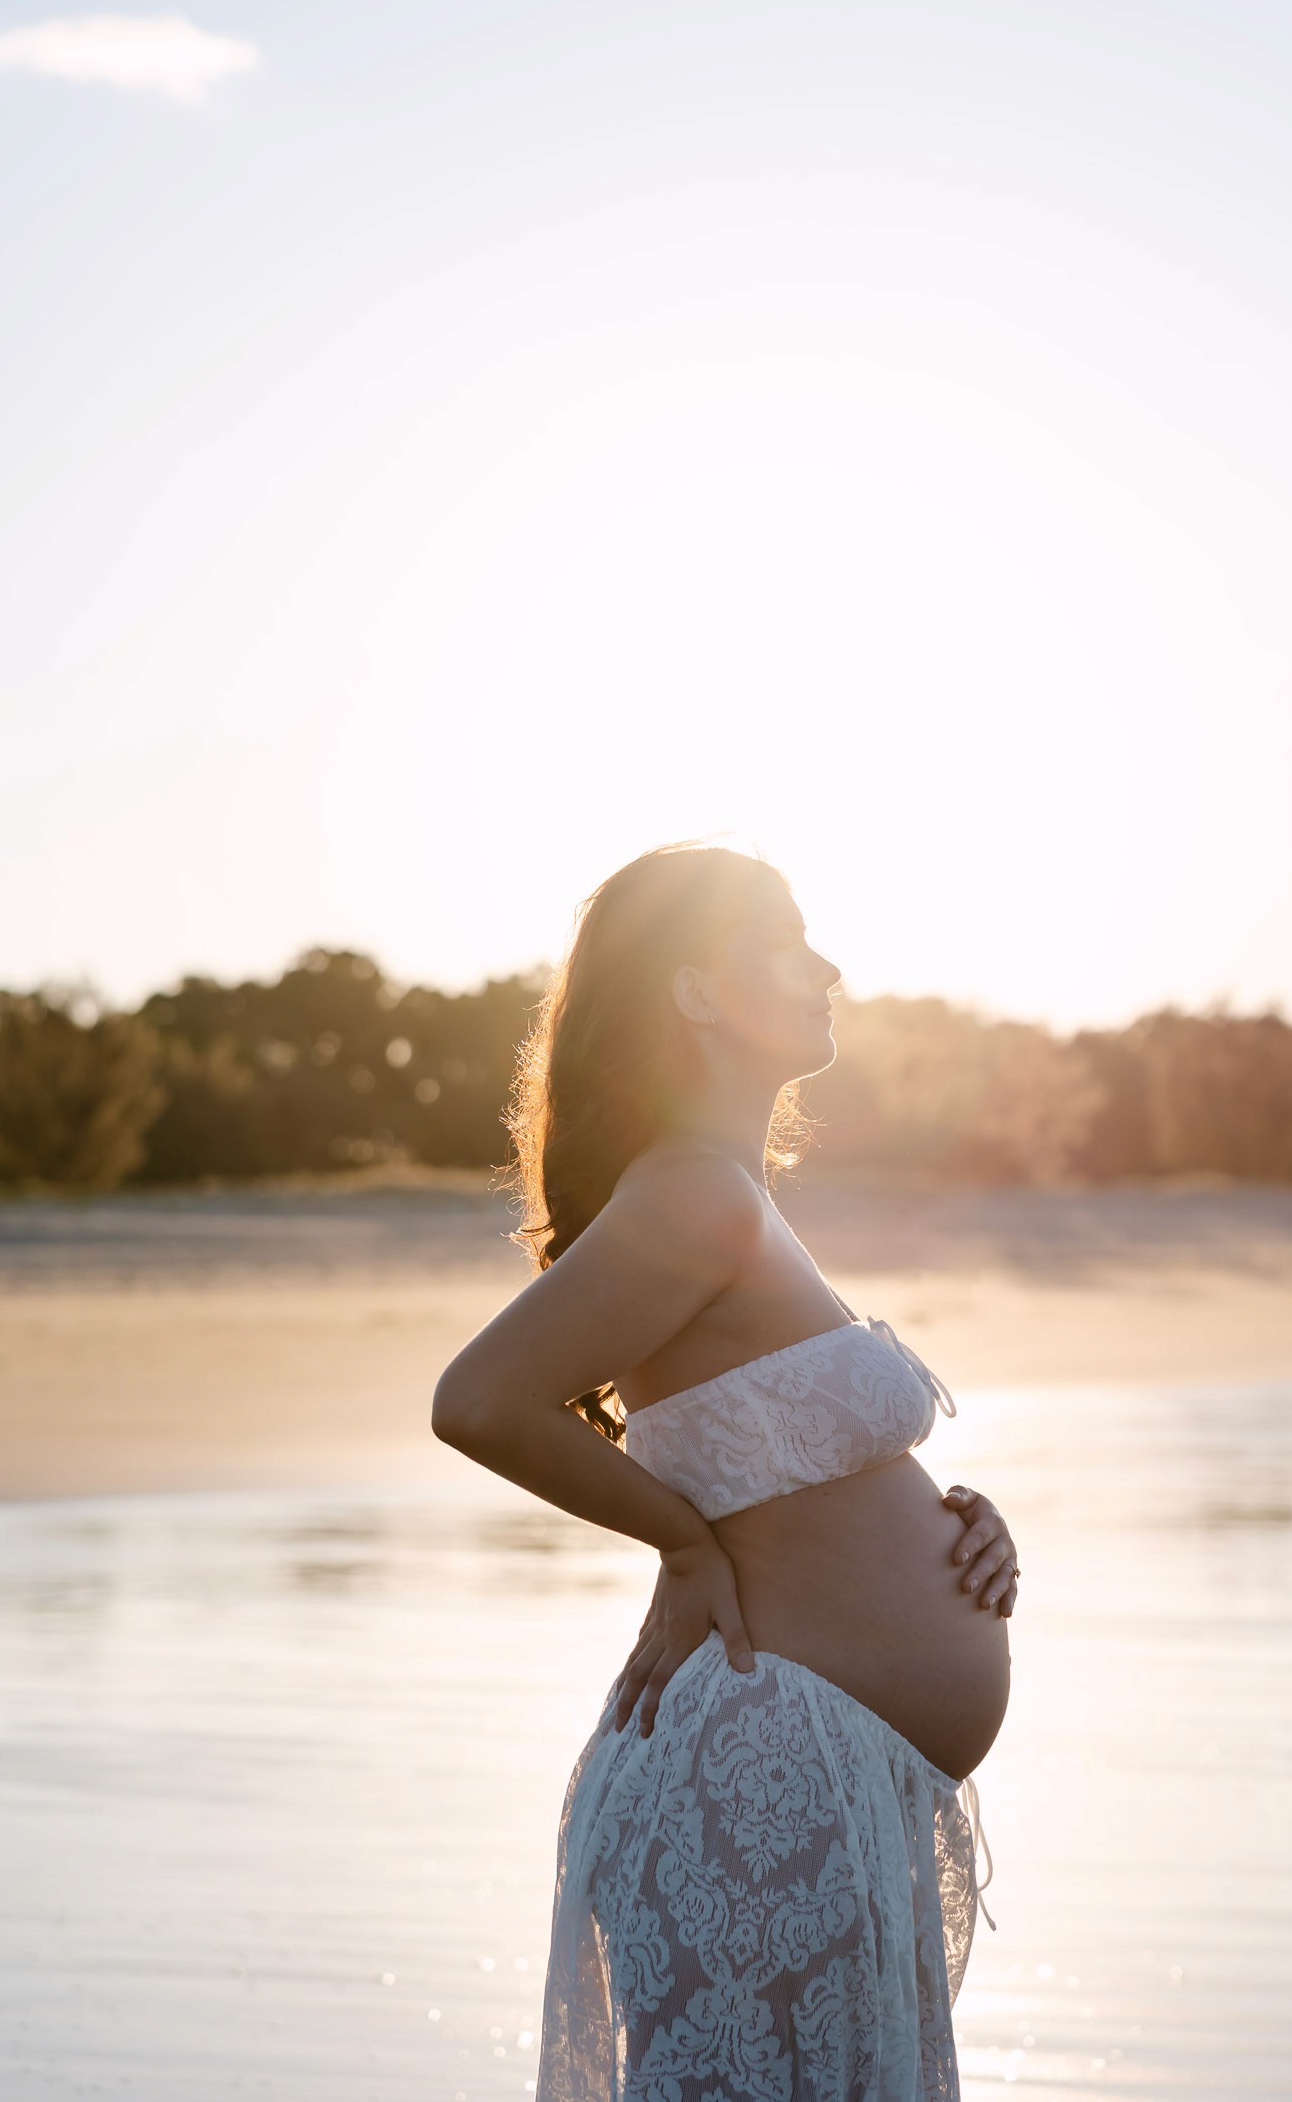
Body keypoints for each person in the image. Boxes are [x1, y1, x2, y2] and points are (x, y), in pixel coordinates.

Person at [432, 844, 1020, 2102]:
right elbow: (479, 1401)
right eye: (787, 942)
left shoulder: (729, 1196)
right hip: (759, 1788)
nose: (828, 969)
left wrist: (957, 1526)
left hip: (814, 1785)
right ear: (697, 991)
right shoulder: (695, 1196)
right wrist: (681, 1545)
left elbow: (771, 1455)